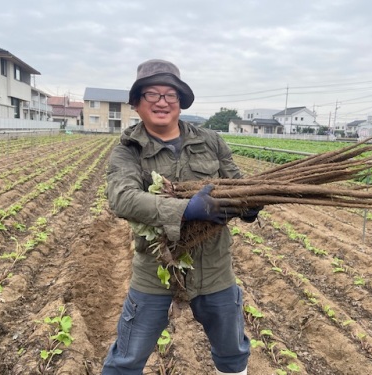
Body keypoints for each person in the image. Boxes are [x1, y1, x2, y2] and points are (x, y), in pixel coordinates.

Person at [102, 59, 260, 375]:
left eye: (170, 94)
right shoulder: (128, 150)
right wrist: (185, 210)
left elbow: (237, 182)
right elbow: (121, 198)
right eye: (152, 94)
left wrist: (250, 203)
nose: (162, 101)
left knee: (232, 354)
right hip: (154, 268)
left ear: (180, 102)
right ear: (136, 103)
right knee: (126, 360)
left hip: (214, 268)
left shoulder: (210, 141)